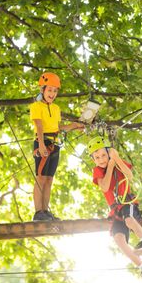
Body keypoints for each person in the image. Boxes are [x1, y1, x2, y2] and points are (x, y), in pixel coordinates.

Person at [87, 136, 142, 283]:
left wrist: (116, 159)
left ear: (109, 153)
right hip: (115, 210)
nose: (101, 159)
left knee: (129, 219)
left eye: (103, 155)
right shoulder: (98, 171)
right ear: (94, 160)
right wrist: (110, 165)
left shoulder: (117, 163)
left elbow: (129, 176)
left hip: (126, 200)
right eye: (97, 157)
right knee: (119, 240)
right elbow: (105, 187)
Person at [30, 72, 84, 221]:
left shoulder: (56, 109)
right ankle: (38, 212)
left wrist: (73, 126)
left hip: (54, 144)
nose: (52, 94)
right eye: (49, 90)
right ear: (43, 90)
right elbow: (39, 126)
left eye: (55, 91)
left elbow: (58, 127)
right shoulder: (36, 106)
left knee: (49, 179)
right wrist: (41, 144)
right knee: (40, 178)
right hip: (43, 142)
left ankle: (45, 212)